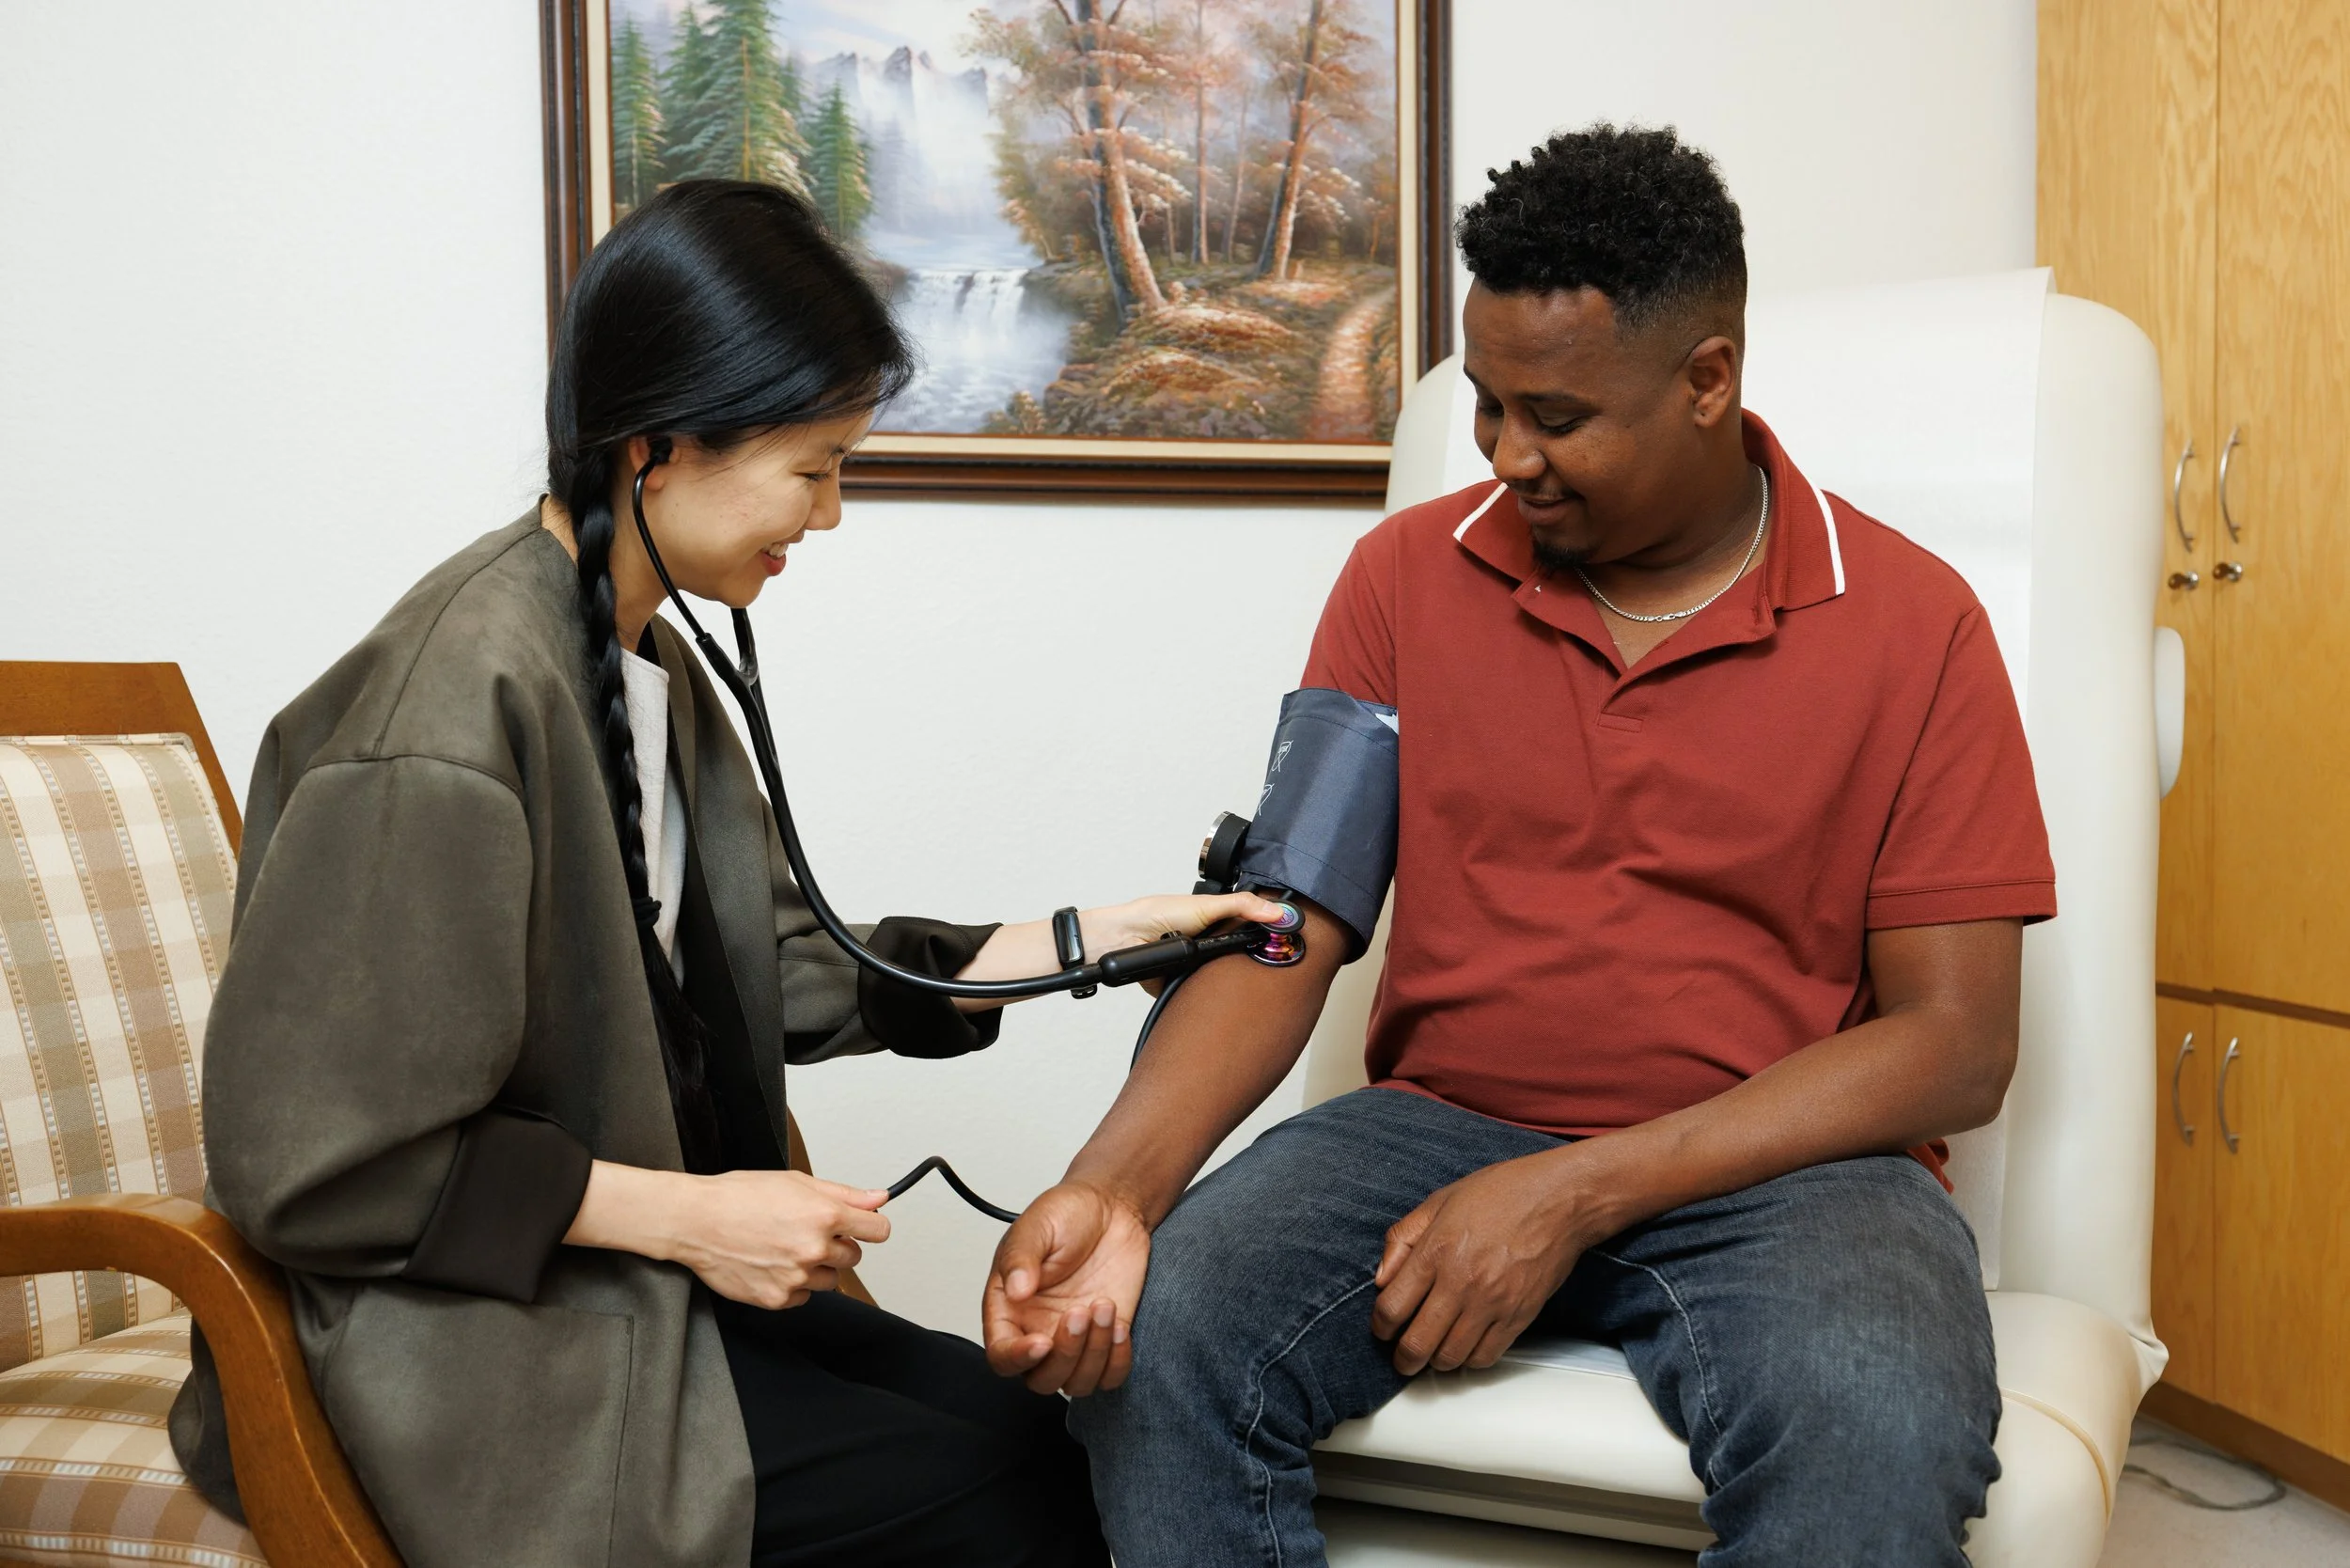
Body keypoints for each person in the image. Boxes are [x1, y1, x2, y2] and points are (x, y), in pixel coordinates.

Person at [981, 125, 2057, 1566]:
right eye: (1487, 405)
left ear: (1709, 382)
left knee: (1873, 1418)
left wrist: (1573, 1191)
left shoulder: (1916, 625)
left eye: (1554, 415)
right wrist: (1112, 1191)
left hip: (1787, 1171)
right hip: (1433, 1130)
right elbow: (1288, 922)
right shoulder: (1404, 577)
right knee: (1156, 1330)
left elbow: (1955, 1046)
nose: (1505, 455)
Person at [167, 179, 1281, 1568]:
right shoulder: (439, 720)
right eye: (815, 467)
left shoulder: (644, 662)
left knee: (1051, 1439)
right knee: (995, 1510)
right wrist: (696, 1218)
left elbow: (792, 970)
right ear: (660, 447)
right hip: (456, 1349)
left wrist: (1083, 938)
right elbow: (321, 1165)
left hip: (625, 1294)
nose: (828, 515)